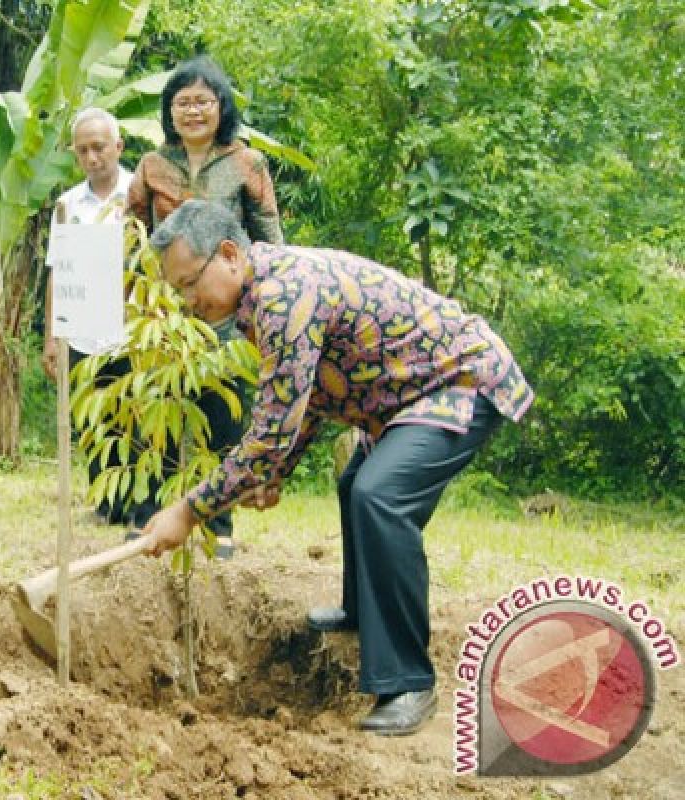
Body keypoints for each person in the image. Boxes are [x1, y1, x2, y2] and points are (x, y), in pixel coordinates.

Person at [140, 200, 533, 736]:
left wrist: (189, 511)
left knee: (380, 494)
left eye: (190, 284)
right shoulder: (261, 295)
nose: (188, 302)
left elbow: (273, 429)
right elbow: (310, 395)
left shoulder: (284, 295)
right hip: (402, 399)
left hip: (458, 382)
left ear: (229, 254)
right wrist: (275, 471)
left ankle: (408, 682)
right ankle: (363, 613)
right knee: (357, 483)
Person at [125, 56, 284, 556]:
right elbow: (131, 234)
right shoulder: (152, 165)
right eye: (182, 103)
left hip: (226, 308)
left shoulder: (247, 164)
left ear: (221, 107)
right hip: (165, 310)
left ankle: (218, 524)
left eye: (203, 101)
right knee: (157, 409)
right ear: (169, 112)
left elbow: (271, 240)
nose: (192, 111)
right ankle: (147, 514)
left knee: (223, 412)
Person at [40, 108, 133, 524]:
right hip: (82, 328)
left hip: (133, 329)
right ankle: (104, 503)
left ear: (118, 146)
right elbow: (57, 271)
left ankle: (138, 503)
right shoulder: (67, 205)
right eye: (83, 151)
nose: (93, 158)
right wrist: (50, 338)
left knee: (134, 417)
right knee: (92, 420)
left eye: (99, 147)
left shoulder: (140, 194)